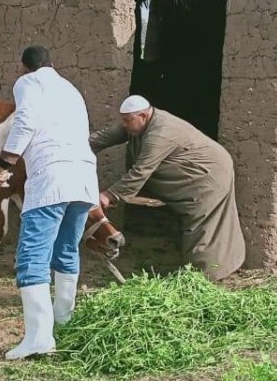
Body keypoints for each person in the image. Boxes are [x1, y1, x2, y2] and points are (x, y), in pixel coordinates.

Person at [0, 45, 99, 360]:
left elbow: (25, 120)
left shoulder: (29, 83)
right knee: (66, 250)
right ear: (52, 63)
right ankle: (64, 320)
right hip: (83, 180)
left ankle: (39, 337)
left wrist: (4, 165)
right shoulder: (70, 89)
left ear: (25, 67)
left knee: (31, 259)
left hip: (52, 179)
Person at [90, 96, 245, 281]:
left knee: (203, 224)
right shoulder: (136, 124)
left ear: (143, 116)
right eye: (122, 120)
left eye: (127, 120)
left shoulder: (160, 133)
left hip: (208, 175)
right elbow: (102, 138)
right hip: (201, 171)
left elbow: (141, 171)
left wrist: (109, 195)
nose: (123, 125)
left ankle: (206, 276)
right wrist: (72, 148)